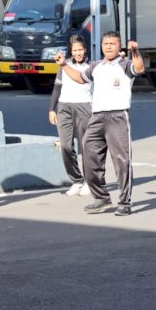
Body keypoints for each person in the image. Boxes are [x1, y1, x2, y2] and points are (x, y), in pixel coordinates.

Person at [55, 32, 145, 216]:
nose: (109, 46)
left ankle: (124, 202)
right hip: (96, 117)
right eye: (106, 43)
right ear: (101, 46)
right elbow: (80, 78)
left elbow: (139, 68)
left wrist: (135, 51)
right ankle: (101, 198)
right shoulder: (96, 66)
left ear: (119, 46)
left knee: (121, 160)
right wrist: (64, 64)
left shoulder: (125, 65)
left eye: (113, 43)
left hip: (118, 116)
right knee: (89, 155)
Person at [49, 35, 93, 197]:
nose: (78, 53)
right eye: (75, 50)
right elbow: (57, 88)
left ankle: (89, 181)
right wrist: (52, 109)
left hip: (85, 107)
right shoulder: (63, 65)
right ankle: (77, 180)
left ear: (85, 49)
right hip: (64, 107)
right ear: (71, 51)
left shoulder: (91, 66)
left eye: (80, 49)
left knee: (85, 146)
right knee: (66, 146)